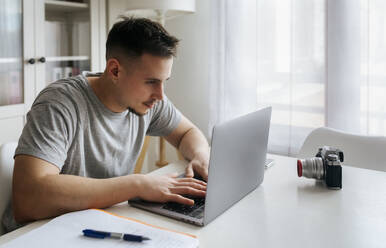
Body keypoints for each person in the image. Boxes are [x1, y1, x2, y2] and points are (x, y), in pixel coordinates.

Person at [2, 17, 210, 233]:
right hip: (38, 233)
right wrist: (138, 184)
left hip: (97, 223)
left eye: (164, 81)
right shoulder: (59, 103)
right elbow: (28, 199)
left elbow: (187, 132)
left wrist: (200, 155)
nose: (160, 95)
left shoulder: (150, 101)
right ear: (115, 71)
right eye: (150, 81)